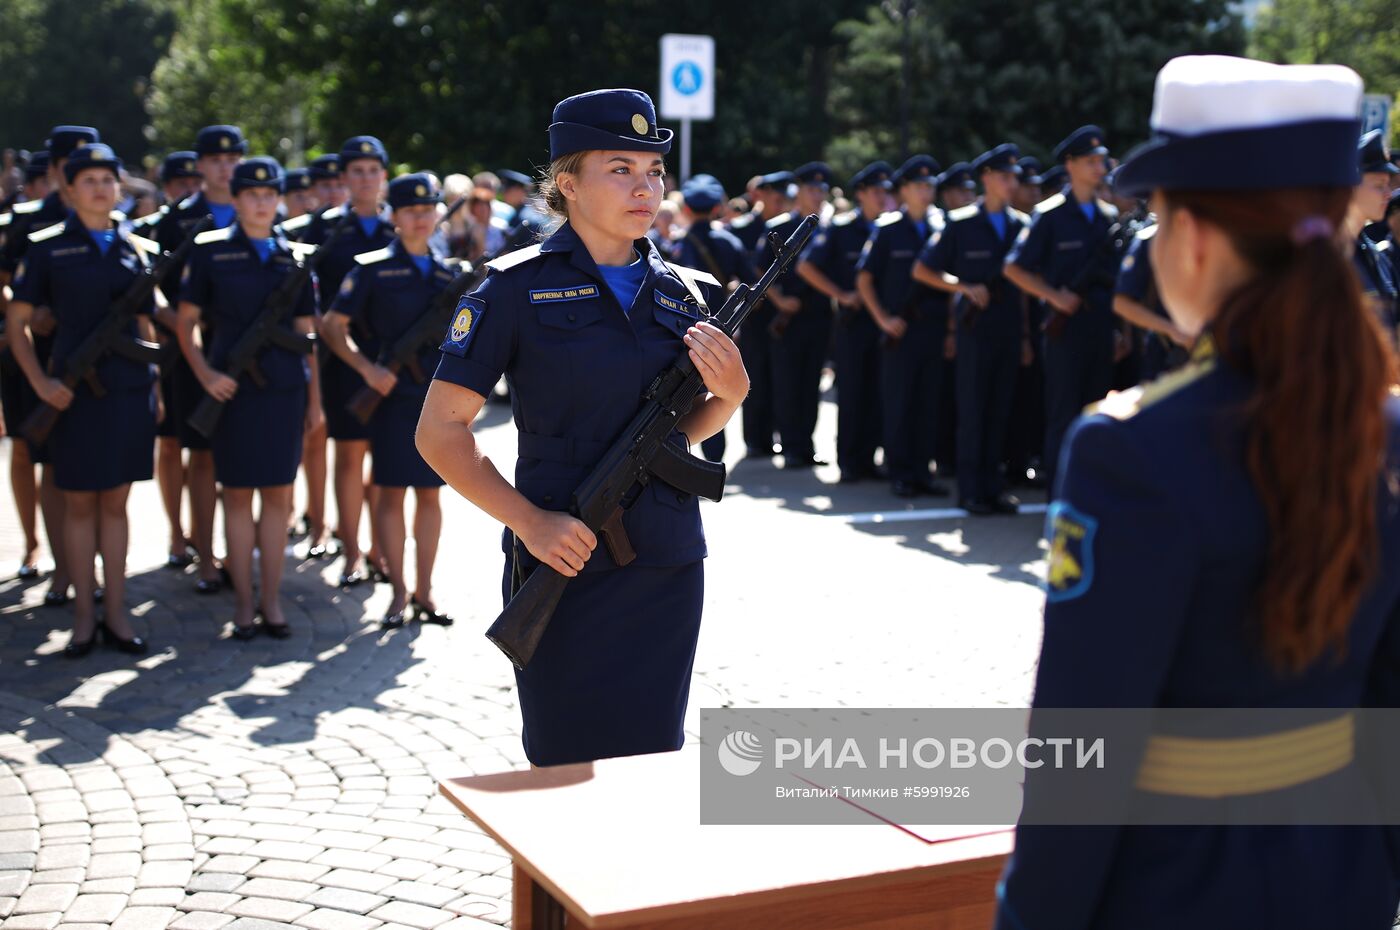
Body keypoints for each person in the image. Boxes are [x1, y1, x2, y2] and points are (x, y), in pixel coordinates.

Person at [995, 55, 1400, 930]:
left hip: (1172, 884)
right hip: (1343, 872)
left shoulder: (1131, 449)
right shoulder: (1384, 425)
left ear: (1197, 238)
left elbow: (1082, 751)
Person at [417, 88, 746, 767]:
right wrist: (528, 522)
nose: (645, 186)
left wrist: (731, 396)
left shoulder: (685, 289)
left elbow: (683, 433)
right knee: (566, 770)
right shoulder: (511, 289)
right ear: (567, 183)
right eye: (620, 168)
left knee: (654, 761)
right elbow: (440, 432)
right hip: (564, 553)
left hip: (666, 561)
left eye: (653, 170)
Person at [6, 143, 157, 657]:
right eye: (88, 180)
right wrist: (39, 384)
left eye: (107, 179)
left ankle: (116, 612)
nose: (100, 188)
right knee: (77, 505)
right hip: (70, 393)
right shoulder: (47, 247)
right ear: (67, 189)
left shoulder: (135, 246)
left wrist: (154, 387)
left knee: (115, 505)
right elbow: (18, 323)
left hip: (126, 390)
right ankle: (84, 618)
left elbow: (146, 323)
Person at [176, 157, 322, 640]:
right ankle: (242, 603)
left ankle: (271, 600)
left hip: (283, 392)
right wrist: (205, 374)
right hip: (232, 393)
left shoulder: (295, 257)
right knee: (236, 497)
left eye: (268, 194)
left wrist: (315, 402)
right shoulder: (209, 252)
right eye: (251, 194)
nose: (261, 202)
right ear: (235, 200)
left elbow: (307, 337)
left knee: (279, 496)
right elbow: (186, 324)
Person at [322, 173, 455, 629]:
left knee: (431, 495)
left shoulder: (449, 274)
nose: (421, 218)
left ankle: (426, 590)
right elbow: (332, 327)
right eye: (410, 210)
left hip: (435, 401)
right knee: (392, 494)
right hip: (391, 398)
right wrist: (366, 369)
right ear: (393, 217)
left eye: (428, 209)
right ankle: (398, 590)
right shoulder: (372, 267)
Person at [283, 135, 394, 585]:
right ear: (344, 178)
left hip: (391, 362)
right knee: (348, 457)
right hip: (342, 361)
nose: (366, 180)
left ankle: (378, 549)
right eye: (357, 172)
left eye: (373, 171)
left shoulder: (400, 228)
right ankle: (350, 551)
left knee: (384, 462)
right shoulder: (324, 231)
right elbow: (305, 301)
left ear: (384, 176)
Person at [1, 126, 101, 605]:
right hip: (33, 356)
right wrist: (30, 311)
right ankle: (35, 544)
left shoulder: (108, 224)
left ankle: (74, 566)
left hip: (88, 362)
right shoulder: (25, 223)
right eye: (73, 164)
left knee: (74, 466)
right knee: (27, 452)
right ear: (57, 169)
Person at [914, 144, 1030, 514]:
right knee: (974, 410)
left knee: (1000, 410)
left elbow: (1025, 291)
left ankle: (992, 487)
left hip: (1009, 328)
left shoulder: (1021, 225)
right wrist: (961, 286)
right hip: (974, 330)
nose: (1012, 183)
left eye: (1014, 177)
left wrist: (1027, 335)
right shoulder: (961, 222)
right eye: (1004, 176)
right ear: (987, 179)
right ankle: (970, 490)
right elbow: (923, 269)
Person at [154, 124, 246, 594]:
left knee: (242, 460)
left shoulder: (258, 209)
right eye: (215, 160)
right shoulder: (177, 220)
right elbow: (156, 291)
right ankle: (205, 554)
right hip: (193, 354)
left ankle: (237, 552)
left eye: (233, 160)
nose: (225, 167)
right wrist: (186, 325)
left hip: (247, 358)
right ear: (201, 164)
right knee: (203, 456)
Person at [1003, 125, 1119, 495]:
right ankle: (1060, 495)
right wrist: (1053, 297)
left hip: (1100, 327)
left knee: (1097, 414)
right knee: (1062, 414)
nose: (1099, 168)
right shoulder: (1050, 215)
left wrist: (1120, 330)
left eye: (1102, 161)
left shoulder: (1108, 217)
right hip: (1063, 331)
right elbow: (1014, 268)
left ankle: (1090, 494)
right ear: (1070, 165)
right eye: (1091, 161)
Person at [855, 154, 950, 498]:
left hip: (935, 328)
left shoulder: (943, 227)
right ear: (905, 190)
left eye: (930, 186)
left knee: (929, 403)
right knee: (899, 402)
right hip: (900, 331)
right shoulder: (889, 229)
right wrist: (883, 319)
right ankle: (901, 472)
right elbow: (865, 279)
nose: (927, 192)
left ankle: (923, 472)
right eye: (919, 186)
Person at [798, 160, 891, 484]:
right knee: (852, 392)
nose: (883, 197)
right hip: (853, 322)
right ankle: (850, 461)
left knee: (879, 392)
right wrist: (839, 293)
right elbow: (806, 267)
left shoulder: (889, 227)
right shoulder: (841, 228)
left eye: (886, 191)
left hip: (884, 321)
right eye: (877, 191)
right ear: (861, 194)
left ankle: (870, 458)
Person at [673, 173, 755, 462]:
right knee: (716, 393)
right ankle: (713, 460)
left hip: (679, 331)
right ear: (717, 208)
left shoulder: (675, 245)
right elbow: (751, 283)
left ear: (686, 208)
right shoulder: (728, 241)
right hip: (721, 331)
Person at [765, 161, 834, 469]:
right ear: (799, 192)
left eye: (822, 189)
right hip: (789, 319)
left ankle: (805, 445)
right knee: (789, 382)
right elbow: (757, 269)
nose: (817, 195)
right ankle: (791, 444)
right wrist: (779, 301)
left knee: (810, 384)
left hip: (818, 316)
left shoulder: (830, 228)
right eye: (811, 189)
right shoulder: (779, 226)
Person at [729, 170, 794, 458]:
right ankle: (757, 438)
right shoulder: (743, 228)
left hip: (785, 317)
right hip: (754, 313)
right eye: (776, 197)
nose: (781, 203)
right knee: (754, 375)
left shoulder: (790, 226)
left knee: (782, 377)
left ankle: (782, 433)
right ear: (762, 195)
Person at [1349, 130, 1398, 341]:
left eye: (1388, 185)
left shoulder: (1375, 255)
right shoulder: (1327, 255)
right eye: (1379, 186)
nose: (1388, 194)